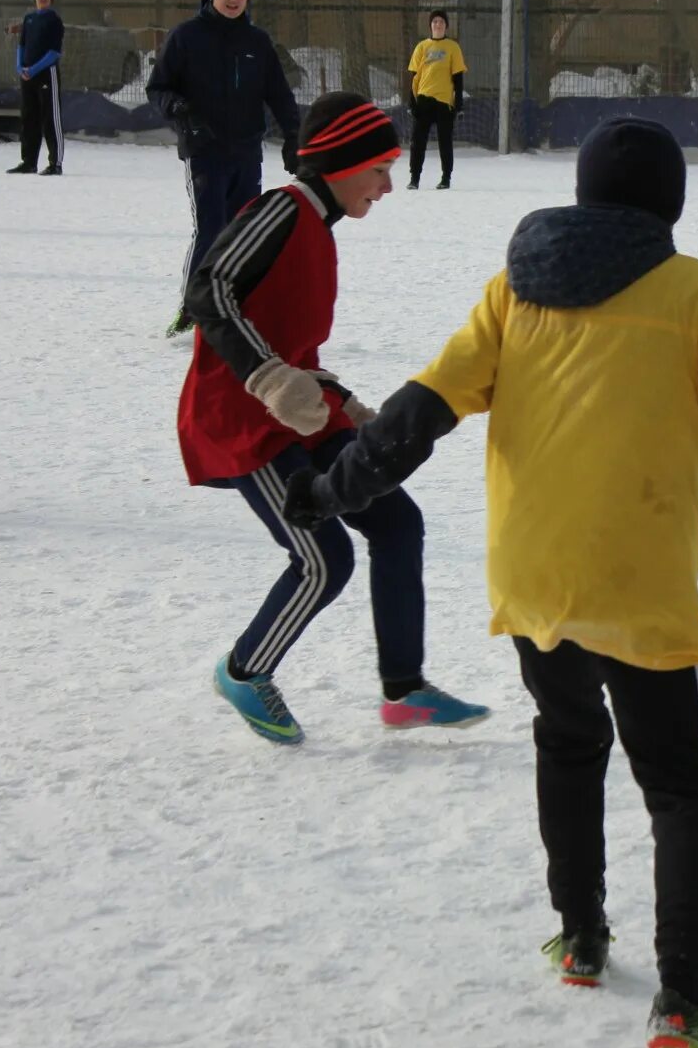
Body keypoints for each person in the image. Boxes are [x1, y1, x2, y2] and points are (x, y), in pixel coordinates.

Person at [280, 117, 698, 1048]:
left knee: (570, 740)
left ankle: (580, 933)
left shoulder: (513, 289)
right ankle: (684, 995)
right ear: (668, 202)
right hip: (639, 589)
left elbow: (420, 411)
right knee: (680, 790)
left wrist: (336, 486)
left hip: (532, 578)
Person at [180, 90, 489, 743]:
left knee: (398, 521)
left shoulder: (317, 229)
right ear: (343, 162)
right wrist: (268, 377)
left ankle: (404, 688)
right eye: (380, 168)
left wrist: (338, 397)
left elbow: (289, 343)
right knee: (324, 557)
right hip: (244, 421)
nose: (386, 185)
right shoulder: (283, 208)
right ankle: (245, 669)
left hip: (298, 412)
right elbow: (209, 289)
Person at [147, 0, 301, 334]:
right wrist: (179, 108)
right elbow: (158, 88)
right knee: (211, 227)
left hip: (246, 152)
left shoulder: (258, 42)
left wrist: (295, 137)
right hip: (204, 152)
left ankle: (237, 304)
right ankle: (190, 308)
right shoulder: (186, 37)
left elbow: (280, 95)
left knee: (245, 230)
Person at [8, 0, 64, 175]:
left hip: (46, 74)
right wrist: (20, 66)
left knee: (50, 118)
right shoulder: (29, 19)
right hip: (27, 76)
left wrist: (35, 69)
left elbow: (54, 52)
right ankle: (29, 162)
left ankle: (55, 163)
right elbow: (22, 45)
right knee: (29, 118)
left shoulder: (54, 20)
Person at [405, 9, 465, 190]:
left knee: (445, 142)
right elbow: (414, 76)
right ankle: (414, 178)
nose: (438, 25)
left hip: (444, 102)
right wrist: (412, 102)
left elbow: (458, 78)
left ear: (446, 26)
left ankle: (446, 177)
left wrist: (458, 103)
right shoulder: (422, 47)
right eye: (435, 22)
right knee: (418, 142)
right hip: (424, 100)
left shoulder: (453, 47)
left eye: (441, 22)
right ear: (430, 26)